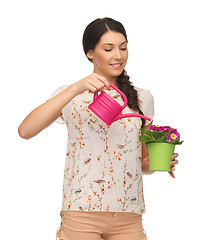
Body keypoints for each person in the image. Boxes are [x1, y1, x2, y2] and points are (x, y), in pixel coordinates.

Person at [18, 17, 179, 240]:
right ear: (90, 53)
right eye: (108, 48)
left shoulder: (142, 98)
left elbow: (142, 163)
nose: (119, 55)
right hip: (81, 212)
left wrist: (160, 162)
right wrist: (77, 87)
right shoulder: (71, 95)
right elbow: (26, 130)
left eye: (123, 47)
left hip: (129, 214)